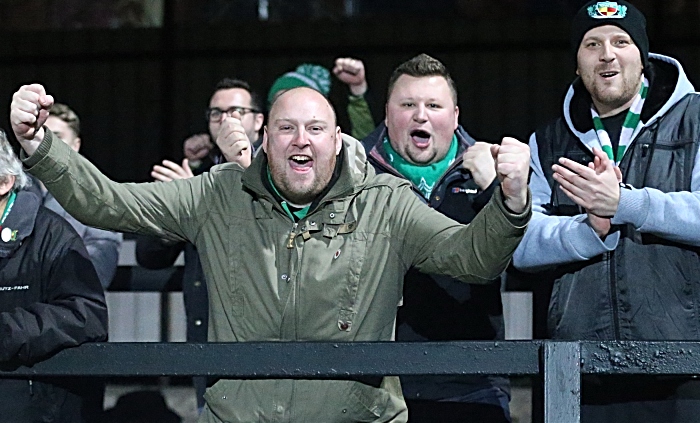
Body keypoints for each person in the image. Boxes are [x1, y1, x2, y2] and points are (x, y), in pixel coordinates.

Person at [12, 83, 531, 423]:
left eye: (314, 129)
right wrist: (40, 146)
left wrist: (510, 203)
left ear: (338, 138)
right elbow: (109, 203)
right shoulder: (216, 194)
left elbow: (470, 258)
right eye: (286, 128)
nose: (299, 140)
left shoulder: (385, 201)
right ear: (266, 138)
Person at [513, 1, 700, 421]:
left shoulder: (696, 120)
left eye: (621, 41)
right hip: (578, 369)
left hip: (685, 366)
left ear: (644, 57)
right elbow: (521, 245)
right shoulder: (547, 141)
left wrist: (627, 204)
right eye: (591, 44)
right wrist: (588, 230)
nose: (607, 54)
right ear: (578, 63)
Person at [362, 54, 510, 423]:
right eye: (408, 104)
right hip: (372, 384)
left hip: (472, 383)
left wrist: (496, 190)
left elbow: (516, 254)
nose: (420, 115)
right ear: (386, 112)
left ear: (455, 116)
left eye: (433, 105)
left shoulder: (490, 172)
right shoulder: (353, 175)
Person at [0, 129, 108, 422]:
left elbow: (87, 315)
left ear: (5, 182)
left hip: (30, 406)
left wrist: (8, 331)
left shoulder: (51, 234)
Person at [29, 102, 123, 289]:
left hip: (66, 306)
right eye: (39, 136)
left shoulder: (97, 195)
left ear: (76, 144)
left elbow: (99, 263)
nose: (46, 143)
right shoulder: (10, 188)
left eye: (56, 137)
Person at [182, 78, 265, 174]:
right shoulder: (207, 158)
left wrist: (192, 188)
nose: (224, 119)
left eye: (236, 111)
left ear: (258, 121)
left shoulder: (273, 159)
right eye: (216, 113)